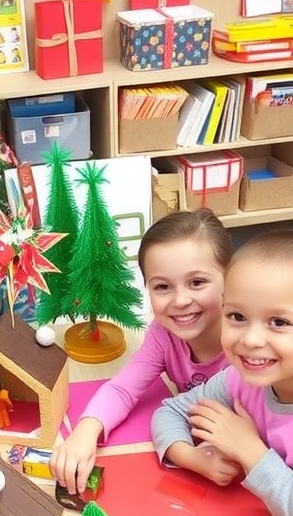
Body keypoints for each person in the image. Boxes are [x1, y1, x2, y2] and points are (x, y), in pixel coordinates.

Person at [50, 208, 232, 494]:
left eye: (197, 282)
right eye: (162, 287)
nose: (181, 300)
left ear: (230, 280)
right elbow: (124, 389)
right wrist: (85, 431)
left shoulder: (250, 346)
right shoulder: (163, 335)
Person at [151, 230, 293, 516]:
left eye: (279, 322)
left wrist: (250, 450)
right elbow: (171, 411)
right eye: (237, 317)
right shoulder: (240, 381)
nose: (251, 339)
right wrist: (192, 457)